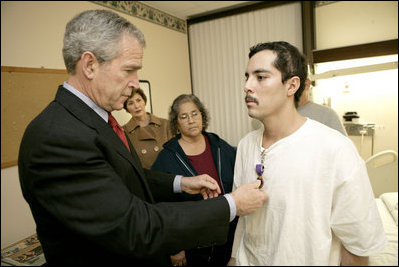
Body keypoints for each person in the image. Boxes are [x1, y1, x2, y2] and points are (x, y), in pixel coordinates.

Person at [17, 10, 269, 266]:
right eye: (129, 71)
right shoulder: (57, 137)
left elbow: (123, 175)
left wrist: (182, 183)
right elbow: (134, 226)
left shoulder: (97, 121)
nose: (135, 83)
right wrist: (232, 204)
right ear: (90, 65)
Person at [229, 41, 386, 266]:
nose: (247, 86)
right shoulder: (246, 145)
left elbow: (356, 242)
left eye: (260, 77)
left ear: (292, 85)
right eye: (247, 77)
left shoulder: (335, 149)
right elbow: (244, 220)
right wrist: (234, 258)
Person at [152, 94, 237, 266]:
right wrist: (174, 247)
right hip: (191, 246)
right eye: (184, 117)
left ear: (202, 116)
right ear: (176, 123)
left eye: (194, 114)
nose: (191, 120)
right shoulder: (167, 157)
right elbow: (160, 208)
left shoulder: (219, 146)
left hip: (226, 239)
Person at [123, 88, 173, 169]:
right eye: (131, 103)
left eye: (138, 100)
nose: (136, 106)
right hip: (145, 179)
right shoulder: (124, 132)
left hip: (168, 175)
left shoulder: (166, 125)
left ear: (144, 101)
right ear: (127, 108)